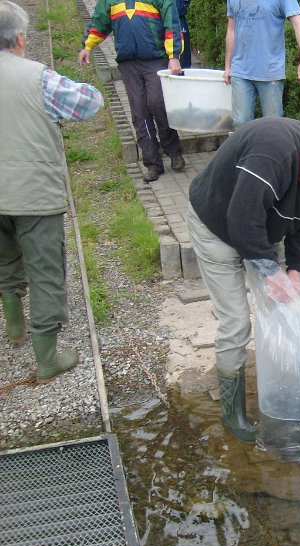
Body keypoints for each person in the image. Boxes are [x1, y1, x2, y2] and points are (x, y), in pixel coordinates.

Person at [187, 117, 300, 443]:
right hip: (216, 226)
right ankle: (234, 415)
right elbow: (241, 219)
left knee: (291, 307)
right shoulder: (273, 151)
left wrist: (296, 269)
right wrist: (271, 273)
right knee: (236, 322)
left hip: (259, 227)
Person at [0, 0, 103, 381]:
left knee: (5, 261)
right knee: (45, 272)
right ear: (21, 38)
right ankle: (46, 358)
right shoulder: (37, 77)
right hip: (34, 194)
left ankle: (14, 328)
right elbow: (89, 103)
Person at [78, 0, 186, 182]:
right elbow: (99, 22)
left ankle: (174, 152)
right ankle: (153, 164)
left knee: (157, 104)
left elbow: (172, 23)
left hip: (156, 59)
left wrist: (174, 56)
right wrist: (87, 47)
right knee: (139, 112)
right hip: (128, 63)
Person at [224, 0, 300, 128]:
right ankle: (247, 148)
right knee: (240, 124)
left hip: (270, 72)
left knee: (273, 126)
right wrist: (228, 66)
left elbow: (299, 24)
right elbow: (231, 30)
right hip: (240, 71)